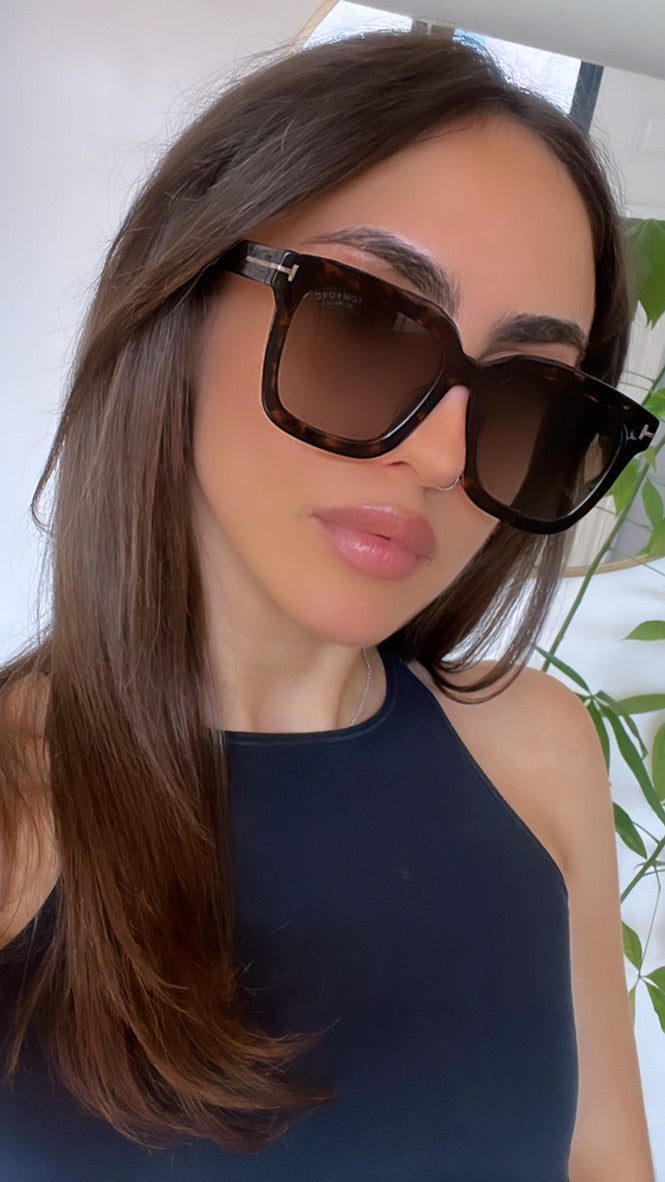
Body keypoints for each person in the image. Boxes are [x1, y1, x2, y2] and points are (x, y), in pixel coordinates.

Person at [0, 28, 658, 1182]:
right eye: (366, 321)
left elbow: (603, 1160)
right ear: (178, 299)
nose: (444, 457)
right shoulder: (16, 800)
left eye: (527, 394)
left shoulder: (538, 751)